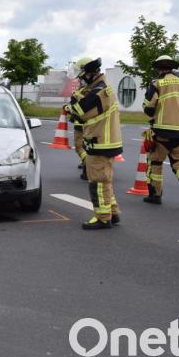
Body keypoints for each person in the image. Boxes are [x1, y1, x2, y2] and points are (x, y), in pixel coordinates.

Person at [65, 57, 123, 230]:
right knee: (105, 180)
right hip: (103, 140)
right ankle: (113, 212)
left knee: (97, 181)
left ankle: (103, 218)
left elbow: (79, 111)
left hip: (100, 142)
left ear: (90, 74)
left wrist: (72, 103)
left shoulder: (98, 90)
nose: (81, 80)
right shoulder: (99, 86)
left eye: (82, 76)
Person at [142, 55, 179, 210]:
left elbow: (148, 108)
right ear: (172, 68)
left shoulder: (157, 84)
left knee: (155, 162)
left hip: (161, 133)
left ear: (158, 68)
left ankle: (155, 195)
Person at [66, 63, 88, 180]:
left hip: (80, 124)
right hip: (91, 125)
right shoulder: (94, 90)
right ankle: (86, 167)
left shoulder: (79, 93)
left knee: (80, 147)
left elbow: (74, 107)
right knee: (87, 147)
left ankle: (88, 166)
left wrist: (67, 108)